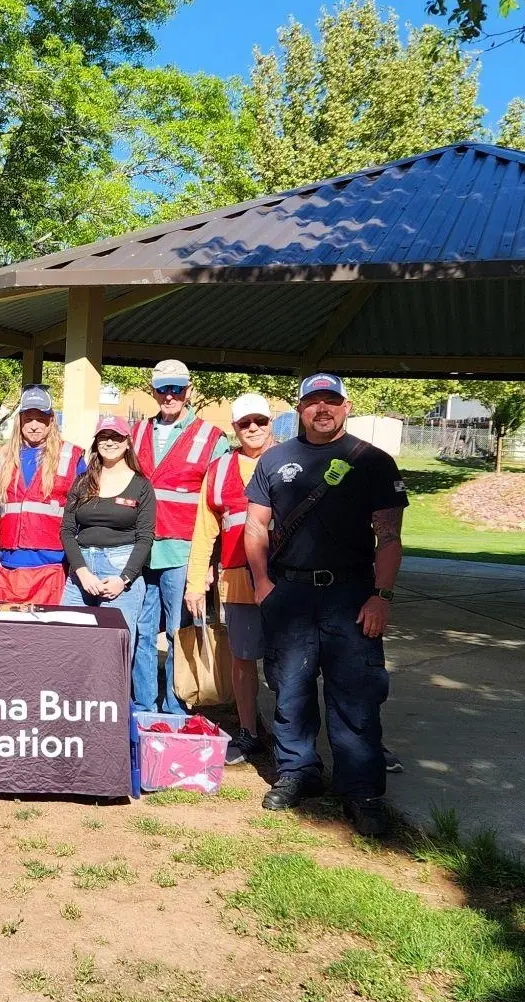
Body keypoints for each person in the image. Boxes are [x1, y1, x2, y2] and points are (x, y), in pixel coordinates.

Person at [243, 373, 406, 837]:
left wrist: (382, 596)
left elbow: (390, 538)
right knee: (289, 689)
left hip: (352, 595)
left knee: (356, 694)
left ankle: (361, 791)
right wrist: (261, 584)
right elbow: (255, 527)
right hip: (288, 593)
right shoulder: (275, 459)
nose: (322, 409)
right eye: (313, 402)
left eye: (330, 401)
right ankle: (298, 772)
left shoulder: (373, 462)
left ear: (346, 406)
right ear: (300, 408)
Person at [130, 359, 229, 712]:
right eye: (162, 389)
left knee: (178, 633)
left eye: (176, 389)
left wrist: (208, 566)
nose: (169, 396)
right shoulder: (137, 432)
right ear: (153, 391)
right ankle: (142, 705)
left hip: (183, 553)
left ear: (188, 390)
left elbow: (220, 506)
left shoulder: (211, 438)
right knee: (141, 633)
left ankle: (175, 706)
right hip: (141, 552)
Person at [185, 392, 275, 767]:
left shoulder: (291, 460)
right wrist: (194, 582)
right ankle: (249, 732)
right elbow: (205, 529)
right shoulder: (220, 468)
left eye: (260, 421)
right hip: (237, 577)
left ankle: (291, 739)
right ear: (234, 429)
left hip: (286, 579)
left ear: (271, 424)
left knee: (288, 662)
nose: (252, 428)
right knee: (241, 659)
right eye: (244, 423)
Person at [60, 416, 156, 669]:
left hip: (121, 568)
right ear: (96, 443)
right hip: (81, 570)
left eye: (116, 436)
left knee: (115, 652)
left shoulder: (142, 486)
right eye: (103, 437)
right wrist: (81, 572)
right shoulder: (82, 482)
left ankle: (112, 706)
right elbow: (68, 530)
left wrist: (123, 580)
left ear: (127, 443)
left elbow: (145, 537)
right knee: (68, 645)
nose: (109, 442)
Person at [0, 387, 84, 605]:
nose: (34, 425)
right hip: (11, 562)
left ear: (51, 420)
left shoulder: (71, 456)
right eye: (28, 418)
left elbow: (83, 510)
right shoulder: (1, 457)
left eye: (41, 419)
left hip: (54, 564)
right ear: (20, 420)